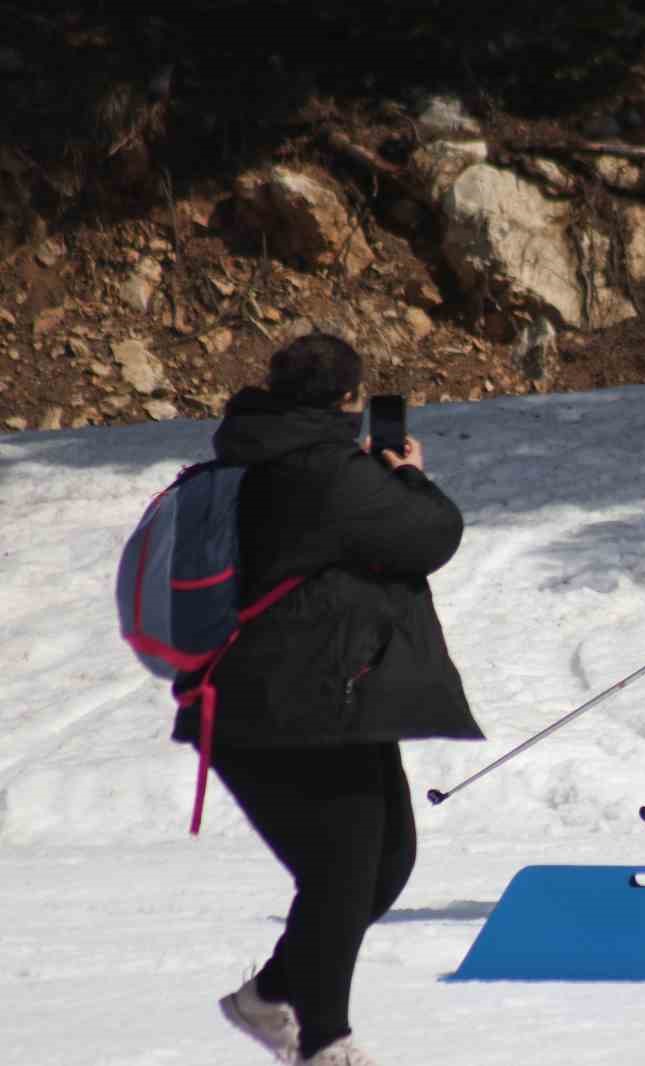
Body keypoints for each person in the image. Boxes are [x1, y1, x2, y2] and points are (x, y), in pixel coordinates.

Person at [172, 333, 483, 1066]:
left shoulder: (254, 458)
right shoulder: (323, 472)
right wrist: (410, 476)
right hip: (289, 705)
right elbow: (432, 534)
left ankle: (271, 995)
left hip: (321, 694)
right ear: (349, 400)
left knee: (384, 860)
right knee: (346, 871)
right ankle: (322, 1039)